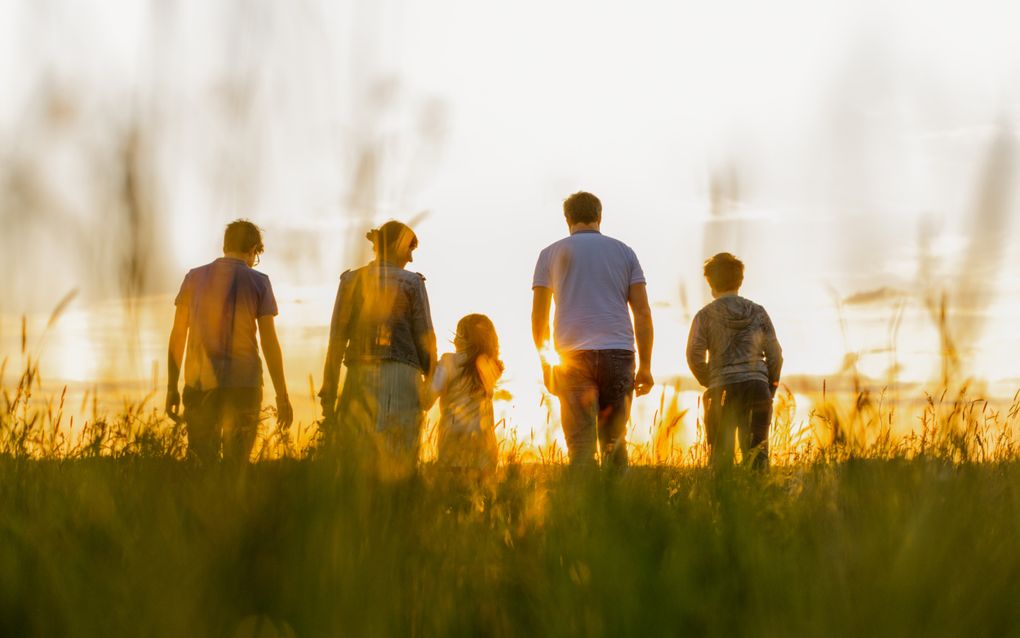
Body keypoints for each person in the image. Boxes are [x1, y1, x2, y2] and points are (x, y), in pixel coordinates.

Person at [531, 191, 655, 467]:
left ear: (568, 219)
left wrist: (546, 365)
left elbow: (539, 318)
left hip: (572, 357)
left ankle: (582, 509)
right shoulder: (625, 252)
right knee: (615, 446)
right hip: (619, 353)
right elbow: (643, 312)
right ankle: (618, 509)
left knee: (581, 449)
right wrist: (645, 365)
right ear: (600, 216)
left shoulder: (549, 253)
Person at [165, 219, 293, 463]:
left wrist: (172, 386)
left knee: (202, 466)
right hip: (244, 385)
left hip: (200, 385)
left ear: (225, 245)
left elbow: (178, 334)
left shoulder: (193, 278)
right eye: (256, 255)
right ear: (253, 250)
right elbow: (269, 342)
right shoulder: (259, 281)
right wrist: (282, 396)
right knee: (237, 470)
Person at [318, 220, 437, 477]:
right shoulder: (412, 283)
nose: (411, 258)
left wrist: (329, 389)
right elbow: (426, 337)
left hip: (360, 376)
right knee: (400, 457)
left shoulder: (351, 280)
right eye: (409, 250)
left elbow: (336, 339)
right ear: (397, 246)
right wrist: (430, 381)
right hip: (404, 376)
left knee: (357, 459)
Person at [686, 252, 783, 470]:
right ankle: (760, 501)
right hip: (757, 388)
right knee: (757, 458)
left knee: (720, 461)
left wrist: (711, 380)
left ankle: (725, 502)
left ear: (711, 284)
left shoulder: (704, 316)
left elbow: (694, 356)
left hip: (721, 390)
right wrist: (769, 387)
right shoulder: (759, 313)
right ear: (740, 280)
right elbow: (775, 355)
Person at [425, 314, 504, 475]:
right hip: (486, 450)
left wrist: (427, 372)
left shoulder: (448, 362)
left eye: (458, 334)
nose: (454, 340)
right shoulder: (490, 368)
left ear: (465, 338)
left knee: (454, 497)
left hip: (454, 444)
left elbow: (428, 399)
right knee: (478, 498)